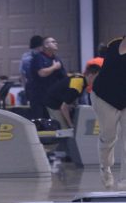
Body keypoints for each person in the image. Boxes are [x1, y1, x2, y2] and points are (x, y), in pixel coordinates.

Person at [91, 36, 126, 190]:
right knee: (108, 137)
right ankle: (105, 167)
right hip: (104, 98)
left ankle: (124, 180)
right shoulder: (115, 46)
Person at [45, 64, 101, 129]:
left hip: (57, 100)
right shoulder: (76, 86)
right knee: (64, 129)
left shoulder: (81, 78)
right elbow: (64, 108)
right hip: (52, 103)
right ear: (91, 76)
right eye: (97, 77)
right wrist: (70, 124)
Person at [30, 36, 67, 119]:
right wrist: (54, 67)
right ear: (46, 45)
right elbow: (42, 73)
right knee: (40, 121)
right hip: (39, 97)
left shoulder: (57, 59)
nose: (56, 43)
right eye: (53, 42)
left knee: (53, 122)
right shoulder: (38, 57)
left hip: (53, 97)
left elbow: (63, 77)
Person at [19, 35, 43, 105]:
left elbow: (22, 73)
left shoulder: (25, 56)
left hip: (31, 86)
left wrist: (24, 87)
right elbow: (22, 73)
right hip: (35, 86)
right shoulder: (27, 57)